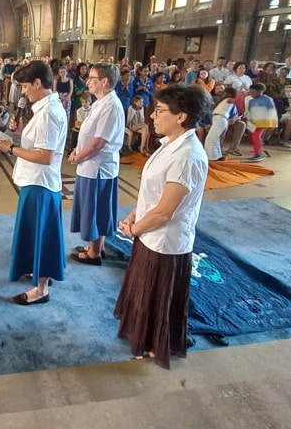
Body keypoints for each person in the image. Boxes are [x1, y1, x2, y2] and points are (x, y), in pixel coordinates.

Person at [115, 84, 211, 369]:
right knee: (144, 288)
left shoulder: (187, 156)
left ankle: (157, 343)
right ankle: (142, 335)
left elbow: (166, 211)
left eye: (159, 111)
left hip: (165, 239)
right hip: (149, 232)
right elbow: (154, 194)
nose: (152, 116)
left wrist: (135, 228)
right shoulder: (170, 144)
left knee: (157, 295)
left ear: (181, 116)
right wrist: (134, 215)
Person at [0, 60, 67, 305]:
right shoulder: (43, 108)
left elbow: (45, 156)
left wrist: (10, 148)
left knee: (42, 237)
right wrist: (20, 130)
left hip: (41, 184)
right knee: (35, 234)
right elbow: (37, 143)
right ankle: (37, 270)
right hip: (35, 181)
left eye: (25, 86)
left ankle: (41, 289)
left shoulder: (49, 113)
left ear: (38, 83)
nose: (22, 92)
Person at [68, 63, 125, 265]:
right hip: (90, 164)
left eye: (92, 78)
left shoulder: (111, 106)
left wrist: (78, 156)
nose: (87, 81)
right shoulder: (100, 102)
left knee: (95, 208)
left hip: (98, 167)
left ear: (104, 81)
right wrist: (77, 149)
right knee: (93, 207)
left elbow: (99, 142)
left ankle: (93, 254)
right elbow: (89, 134)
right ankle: (96, 247)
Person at [245, 83, 278, 162]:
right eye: (250, 92)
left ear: (260, 91)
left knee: (256, 137)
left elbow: (272, 111)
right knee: (254, 137)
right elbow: (249, 112)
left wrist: (272, 123)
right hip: (254, 123)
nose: (251, 94)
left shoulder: (268, 99)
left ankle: (258, 154)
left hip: (263, 122)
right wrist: (249, 121)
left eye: (253, 92)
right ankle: (257, 151)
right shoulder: (251, 101)